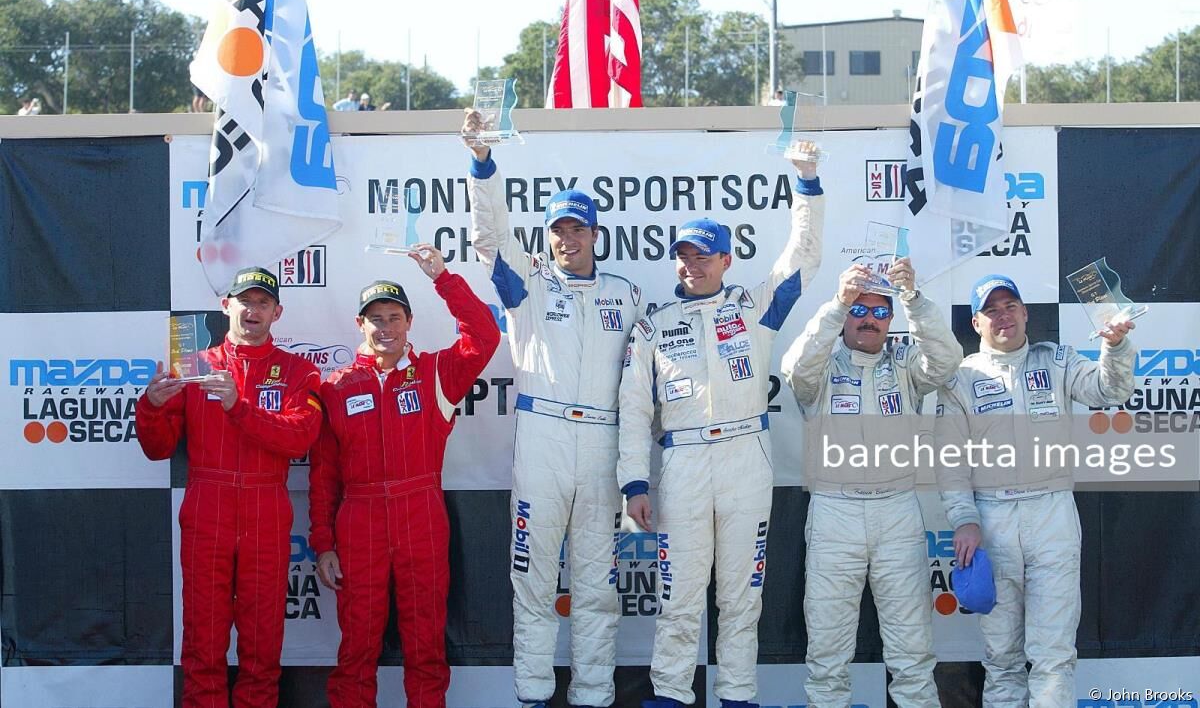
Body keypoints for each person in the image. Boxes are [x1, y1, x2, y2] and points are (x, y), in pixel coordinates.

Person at [618, 145, 826, 708]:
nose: (692, 265)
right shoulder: (653, 327)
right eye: (683, 256)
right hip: (683, 464)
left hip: (745, 460)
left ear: (727, 259)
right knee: (679, 598)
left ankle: (737, 697)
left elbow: (805, 257)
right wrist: (634, 484)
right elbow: (634, 411)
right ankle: (670, 695)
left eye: (703, 255)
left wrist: (807, 183)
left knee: (741, 598)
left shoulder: (754, 308)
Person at [462, 108, 646, 708]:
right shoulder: (529, 286)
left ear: (596, 234)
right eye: (559, 230)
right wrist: (483, 164)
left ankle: (593, 694)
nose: (569, 239)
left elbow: (644, 382)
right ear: (547, 237)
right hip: (542, 438)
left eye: (578, 229)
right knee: (534, 578)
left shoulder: (627, 294)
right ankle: (533, 694)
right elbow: (490, 238)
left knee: (597, 584)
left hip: (602, 445)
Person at [309, 244, 500, 708]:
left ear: (409, 322)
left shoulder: (436, 372)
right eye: (375, 319)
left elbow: (485, 335)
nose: (385, 327)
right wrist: (324, 544)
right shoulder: (336, 387)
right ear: (360, 325)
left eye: (394, 317)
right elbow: (324, 475)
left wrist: (443, 279)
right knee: (357, 646)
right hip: (359, 521)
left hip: (421, 515)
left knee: (425, 643)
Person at [936, 274, 1136, 707]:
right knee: (1001, 659)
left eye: (1010, 306)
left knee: (1053, 656)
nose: (1003, 316)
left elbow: (1111, 390)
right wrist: (964, 519)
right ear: (976, 323)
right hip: (992, 521)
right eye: (991, 310)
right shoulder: (961, 379)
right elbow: (951, 462)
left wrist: (1116, 347)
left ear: (1025, 313)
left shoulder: (1058, 361)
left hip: (1052, 515)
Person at [135, 267, 323, 708]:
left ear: (277, 313)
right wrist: (151, 407)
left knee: (262, 641)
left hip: (265, 508)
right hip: (208, 505)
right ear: (226, 306)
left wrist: (239, 407)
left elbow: (298, 439)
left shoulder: (300, 371)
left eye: (262, 303)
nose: (252, 310)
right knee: (203, 637)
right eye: (244, 301)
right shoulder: (193, 366)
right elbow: (158, 449)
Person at [781, 260, 962, 707]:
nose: (869, 320)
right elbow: (796, 368)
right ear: (845, 316)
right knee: (827, 654)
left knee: (913, 653)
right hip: (834, 511)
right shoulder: (821, 369)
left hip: (897, 510)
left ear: (891, 319)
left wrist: (913, 299)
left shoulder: (905, 364)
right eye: (858, 310)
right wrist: (837, 303)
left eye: (880, 312)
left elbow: (946, 361)